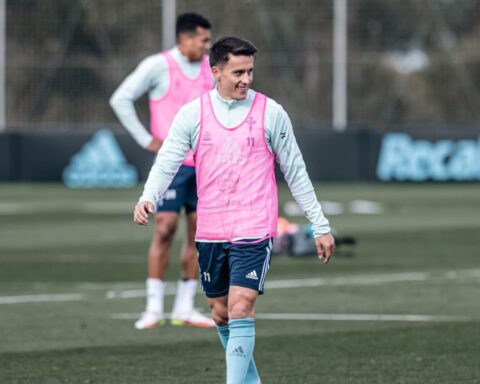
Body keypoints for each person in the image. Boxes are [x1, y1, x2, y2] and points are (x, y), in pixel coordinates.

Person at [134, 36, 335, 383]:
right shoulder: (192, 113)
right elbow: (167, 161)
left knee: (242, 306)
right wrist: (148, 196)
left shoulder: (270, 113)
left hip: (254, 229)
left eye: (250, 72)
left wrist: (319, 225)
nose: (246, 79)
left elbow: (296, 171)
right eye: (238, 72)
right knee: (221, 313)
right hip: (210, 232)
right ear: (216, 72)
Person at [110, 13, 215, 329]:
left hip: (205, 164)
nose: (208, 46)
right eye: (204, 40)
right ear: (185, 39)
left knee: (199, 234)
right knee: (165, 228)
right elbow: (121, 98)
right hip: (172, 165)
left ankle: (185, 306)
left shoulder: (212, 69)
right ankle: (153, 307)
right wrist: (146, 140)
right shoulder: (159, 65)